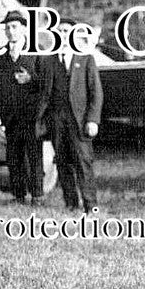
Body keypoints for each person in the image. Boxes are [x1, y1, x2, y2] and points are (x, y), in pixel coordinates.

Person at [40, 18, 103, 213]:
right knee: (63, 162)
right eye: (60, 31)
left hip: (80, 120)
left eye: (67, 31)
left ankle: (90, 204)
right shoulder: (49, 60)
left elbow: (96, 92)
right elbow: (45, 93)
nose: (64, 35)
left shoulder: (85, 58)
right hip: (57, 120)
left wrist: (92, 120)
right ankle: (71, 203)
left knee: (83, 162)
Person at [0, 10, 47, 205]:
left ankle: (37, 195)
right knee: (14, 157)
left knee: (34, 156)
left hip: (32, 117)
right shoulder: (0, 60)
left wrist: (32, 79)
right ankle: (19, 195)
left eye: (15, 27)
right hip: (10, 118)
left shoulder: (37, 54)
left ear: (23, 29)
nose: (11, 31)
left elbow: (48, 83)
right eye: (8, 28)